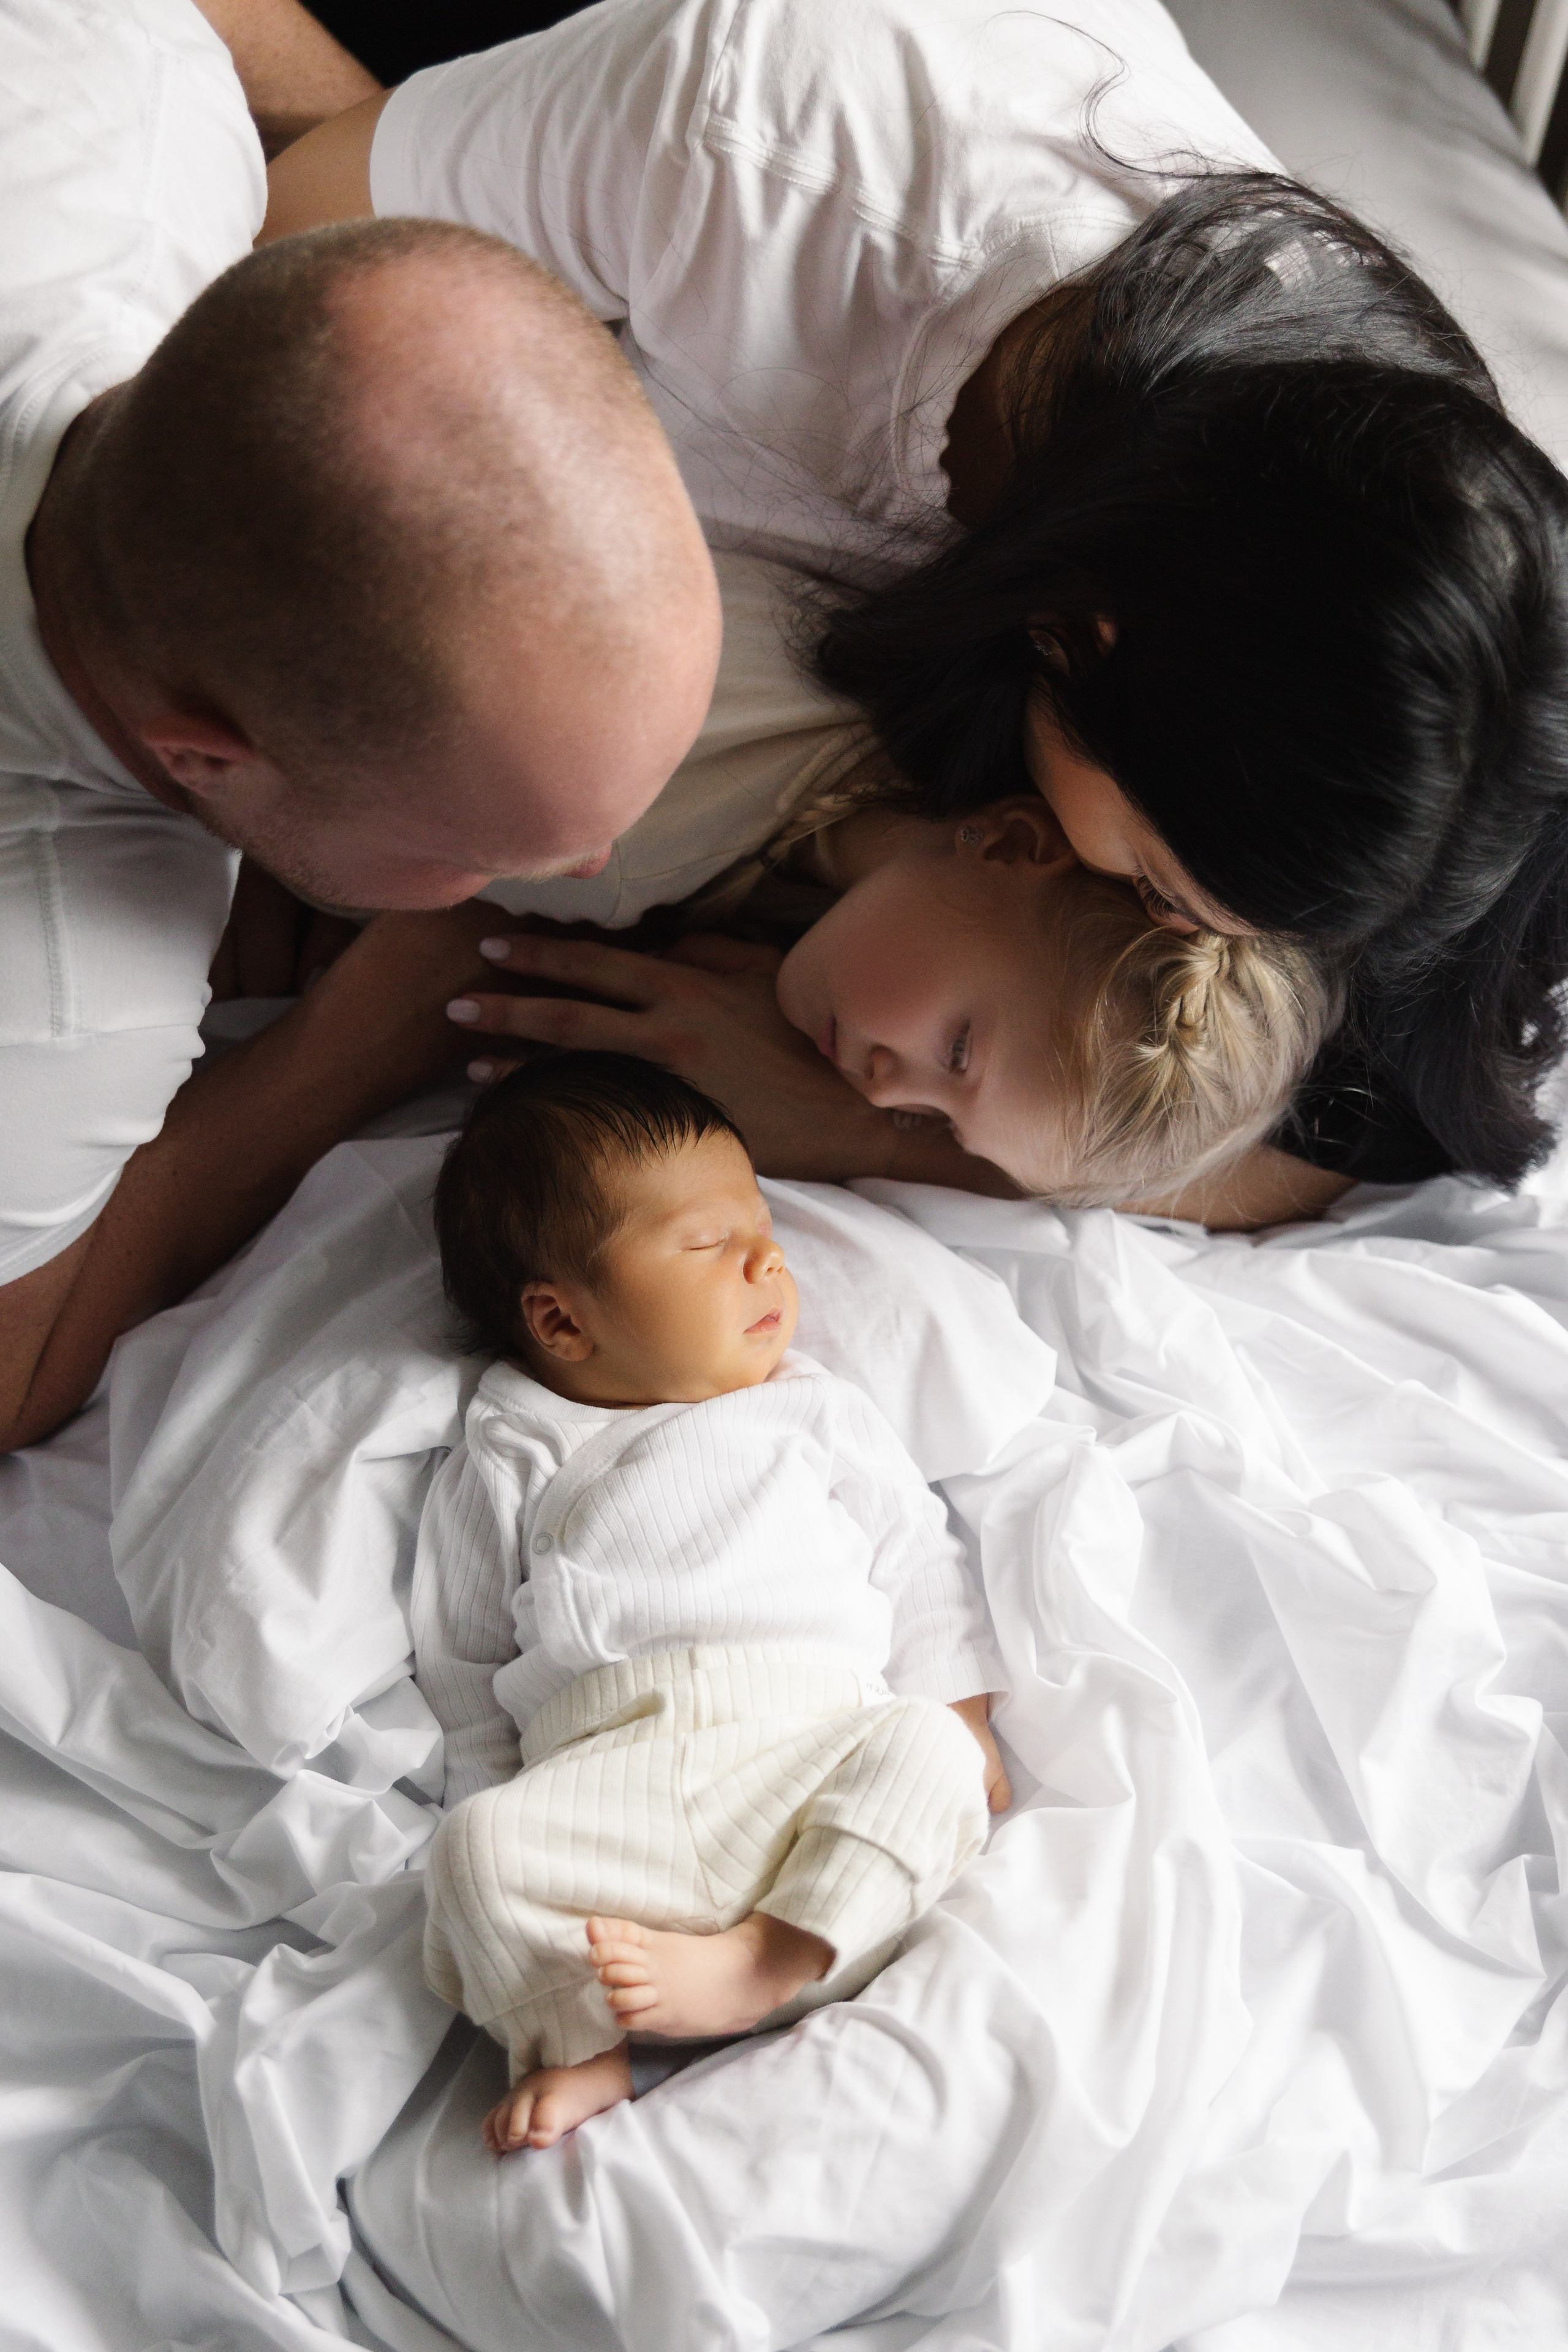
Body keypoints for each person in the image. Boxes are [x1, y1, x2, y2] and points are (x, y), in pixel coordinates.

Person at [255, 0, 1568, 1217]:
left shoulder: (1417, 616)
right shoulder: (773, 152)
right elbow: (257, 283)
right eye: (1164, 886)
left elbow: (1347, 1148)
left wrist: (877, 1136)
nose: (1182, 934)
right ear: (1082, 636)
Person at [0, 0, 723, 1453]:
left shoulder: (132, 90)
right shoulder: (57, 1000)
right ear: (205, 753)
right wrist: (353, 1042)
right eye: (470, 854)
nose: (589, 876)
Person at [417, 1050, 1006, 2152]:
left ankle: (762, 1963)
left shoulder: (809, 1411)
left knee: (925, 1752)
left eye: (761, 1228)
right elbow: (462, 1650)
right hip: (608, 1784)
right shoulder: (513, 1441)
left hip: (808, 1758)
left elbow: (917, 1559)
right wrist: (500, 1793)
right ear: (560, 1322)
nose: (765, 1258)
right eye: (707, 1243)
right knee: (474, 1854)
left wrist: (963, 1715)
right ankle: (578, 2042)